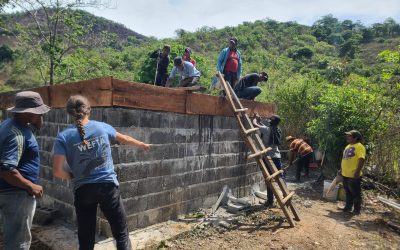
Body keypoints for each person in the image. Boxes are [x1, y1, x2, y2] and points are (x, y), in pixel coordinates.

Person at [52, 95, 151, 250]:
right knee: (121, 233)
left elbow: (58, 171)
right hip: (108, 188)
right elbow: (124, 138)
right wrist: (142, 144)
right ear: (89, 111)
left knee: (86, 238)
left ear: (69, 113)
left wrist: (74, 175)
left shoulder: (63, 137)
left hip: (83, 190)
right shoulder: (101, 127)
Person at [0, 91, 50, 250]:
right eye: (39, 112)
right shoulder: (16, 135)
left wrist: (37, 121)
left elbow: (25, 139)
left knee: (12, 235)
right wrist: (31, 186)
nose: (42, 114)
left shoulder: (8, 125)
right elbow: (7, 170)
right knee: (18, 242)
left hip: (9, 192)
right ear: (29, 113)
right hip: (16, 194)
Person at [253, 114, 283, 206]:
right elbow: (266, 128)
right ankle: (284, 195)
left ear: (271, 122)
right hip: (277, 156)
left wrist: (255, 119)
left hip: (269, 158)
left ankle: (270, 201)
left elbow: (255, 125)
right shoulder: (277, 130)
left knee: (269, 180)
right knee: (280, 178)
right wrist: (260, 120)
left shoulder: (267, 130)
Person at [340, 130, 365, 214]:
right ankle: (348, 207)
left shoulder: (359, 146)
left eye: (349, 136)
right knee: (348, 192)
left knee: (356, 193)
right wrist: (341, 170)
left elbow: (361, 159)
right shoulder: (347, 146)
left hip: (353, 175)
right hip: (345, 174)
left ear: (355, 138)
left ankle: (357, 210)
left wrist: (357, 171)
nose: (347, 137)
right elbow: (344, 159)